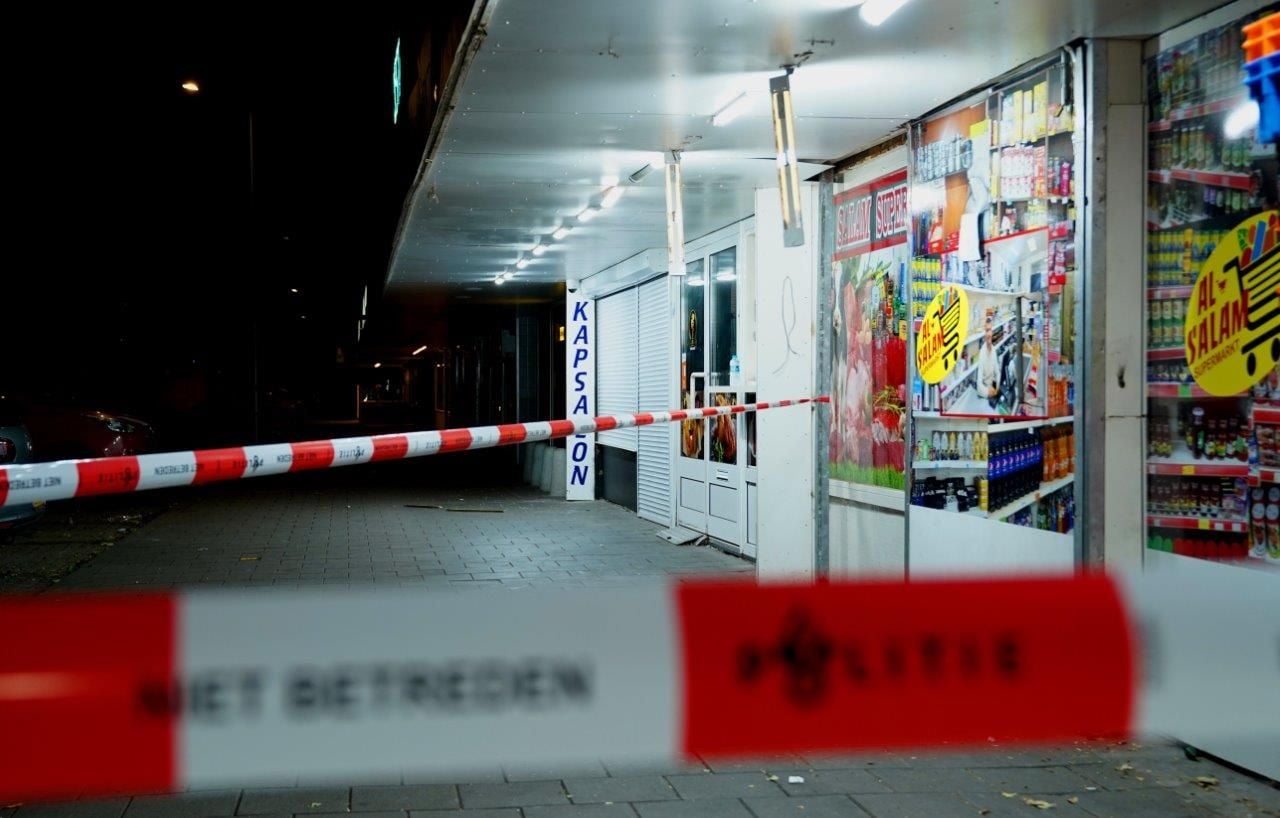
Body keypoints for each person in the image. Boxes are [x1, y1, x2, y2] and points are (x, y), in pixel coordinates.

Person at [977, 310, 1001, 406]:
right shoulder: (982, 353)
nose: (989, 334)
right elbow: (979, 385)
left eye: (990, 330)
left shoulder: (994, 350)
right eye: (987, 331)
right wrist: (988, 391)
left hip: (993, 389)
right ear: (984, 334)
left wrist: (998, 387)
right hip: (985, 394)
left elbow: (998, 372)